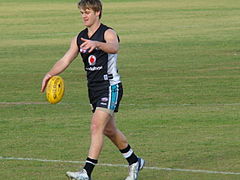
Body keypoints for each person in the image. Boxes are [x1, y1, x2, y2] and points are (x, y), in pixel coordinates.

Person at [41, 0, 144, 180]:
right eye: (82, 13)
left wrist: (97, 44)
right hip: (94, 90)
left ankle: (86, 172)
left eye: (87, 12)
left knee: (96, 125)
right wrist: (49, 73)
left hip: (110, 86)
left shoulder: (108, 32)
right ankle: (135, 161)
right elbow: (65, 60)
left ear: (98, 13)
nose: (84, 16)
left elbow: (114, 47)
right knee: (109, 130)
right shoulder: (79, 38)